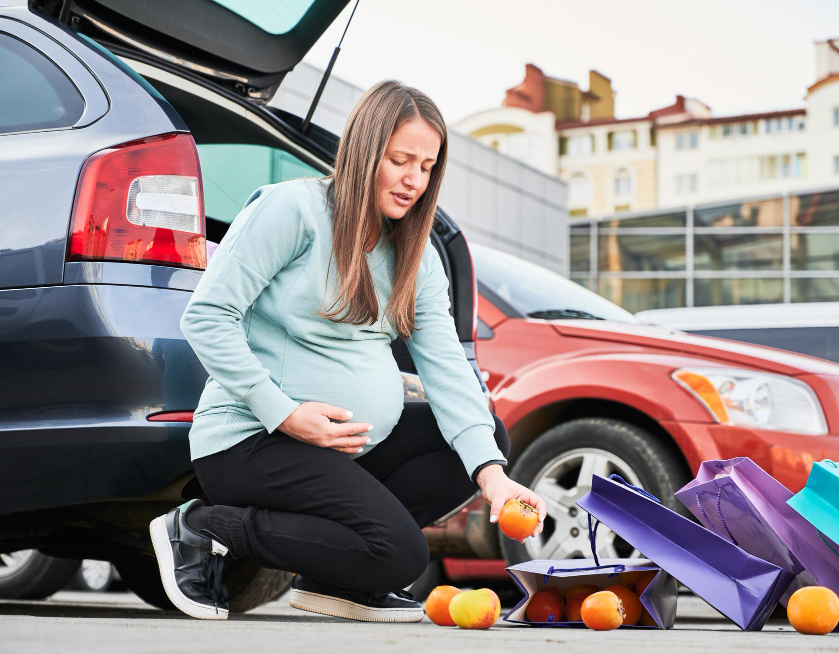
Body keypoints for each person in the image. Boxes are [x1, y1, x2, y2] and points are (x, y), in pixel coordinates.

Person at [149, 80, 546, 622]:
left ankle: (338, 578)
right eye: (400, 160)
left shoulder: (416, 252)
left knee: (482, 441)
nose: (414, 180)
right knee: (400, 554)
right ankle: (202, 527)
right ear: (364, 152)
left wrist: (494, 477)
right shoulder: (293, 210)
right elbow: (207, 317)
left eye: (427, 167)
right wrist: (284, 413)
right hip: (251, 441)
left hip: (344, 448)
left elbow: (446, 365)